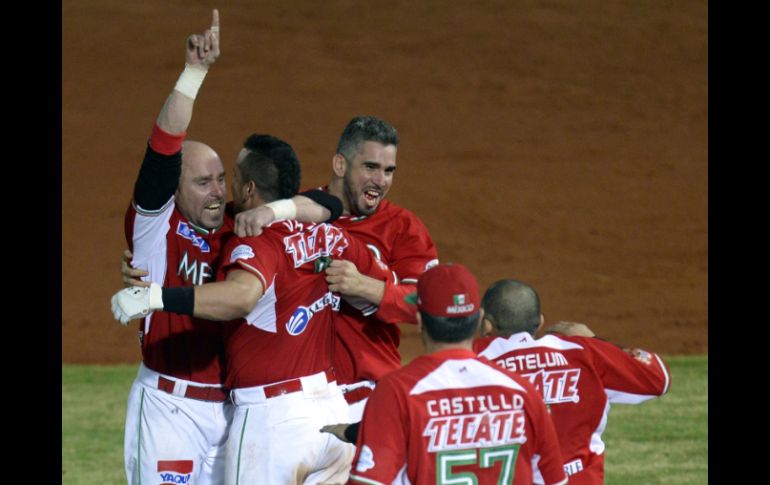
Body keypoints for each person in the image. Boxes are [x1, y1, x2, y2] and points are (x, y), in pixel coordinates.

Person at [117, 10, 341, 485]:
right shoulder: (156, 228)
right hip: (169, 409)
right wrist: (194, 73)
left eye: (222, 179)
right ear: (175, 193)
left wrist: (278, 212)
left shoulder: (240, 223)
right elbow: (162, 147)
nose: (218, 191)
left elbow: (326, 202)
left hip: (231, 411)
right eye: (203, 182)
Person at [112, 128, 395, 483]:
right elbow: (334, 209)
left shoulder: (255, 240)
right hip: (331, 409)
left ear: (248, 189)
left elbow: (241, 297)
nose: (221, 189)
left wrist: (155, 297)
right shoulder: (330, 233)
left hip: (273, 418)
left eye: (228, 179)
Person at [348, 264, 568, 485]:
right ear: (479, 319)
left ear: (420, 321)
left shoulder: (397, 391)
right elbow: (553, 481)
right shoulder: (524, 393)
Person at [474, 279, 672, 485]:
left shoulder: (473, 357)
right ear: (540, 321)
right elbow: (659, 378)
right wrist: (595, 340)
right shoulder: (582, 351)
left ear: (486, 324)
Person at [320, 116, 440, 421]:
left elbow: (426, 304)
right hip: (301, 394)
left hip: (368, 394)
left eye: (388, 171)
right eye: (371, 167)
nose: (381, 180)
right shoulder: (301, 213)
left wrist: (364, 286)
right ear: (340, 165)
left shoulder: (402, 227)